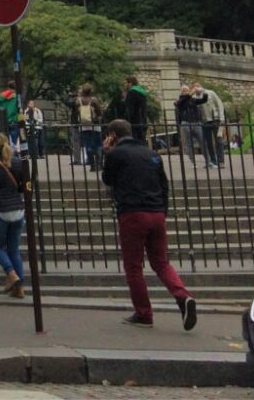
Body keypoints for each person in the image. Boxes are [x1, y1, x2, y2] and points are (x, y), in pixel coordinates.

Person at [102, 118, 197, 330]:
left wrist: (107, 153)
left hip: (133, 213)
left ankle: (144, 313)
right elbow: (164, 185)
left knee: (133, 266)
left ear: (113, 136)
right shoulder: (151, 153)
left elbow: (107, 179)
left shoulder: (116, 154)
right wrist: (162, 210)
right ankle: (182, 295)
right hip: (156, 213)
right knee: (161, 262)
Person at [0, 132, 27, 299]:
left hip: (1, 210)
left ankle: (11, 274)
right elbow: (23, 186)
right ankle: (20, 287)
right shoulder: (17, 162)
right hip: (18, 209)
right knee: (14, 248)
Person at [73, 84, 105, 171]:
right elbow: (99, 112)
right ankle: (99, 164)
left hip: (84, 126)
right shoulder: (94, 100)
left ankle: (92, 165)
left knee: (88, 145)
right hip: (95, 126)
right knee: (98, 144)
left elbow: (76, 112)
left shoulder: (78, 101)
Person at [175, 85, 205, 165]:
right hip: (186, 123)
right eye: (184, 90)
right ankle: (193, 161)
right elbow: (181, 101)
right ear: (182, 92)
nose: (186, 92)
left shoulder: (193, 100)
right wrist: (191, 93)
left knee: (202, 141)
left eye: (187, 90)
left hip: (196, 122)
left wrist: (203, 92)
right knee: (189, 143)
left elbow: (203, 100)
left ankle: (208, 160)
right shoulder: (180, 100)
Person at [122, 76, 150, 145]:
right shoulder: (141, 92)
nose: (124, 85)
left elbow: (130, 110)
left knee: (135, 143)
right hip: (142, 121)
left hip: (134, 122)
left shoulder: (132, 93)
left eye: (125, 83)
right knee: (142, 141)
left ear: (130, 83)